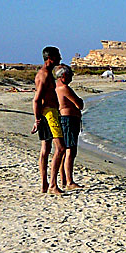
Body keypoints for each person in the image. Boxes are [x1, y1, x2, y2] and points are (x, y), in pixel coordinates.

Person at [31, 46, 65, 194]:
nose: (60, 59)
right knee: (61, 148)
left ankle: (45, 184)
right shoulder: (44, 75)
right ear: (50, 58)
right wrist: (37, 119)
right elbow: (36, 100)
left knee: (46, 149)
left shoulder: (46, 74)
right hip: (49, 113)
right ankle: (52, 184)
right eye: (58, 56)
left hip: (48, 112)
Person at [54, 64, 84, 190]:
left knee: (66, 150)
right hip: (69, 119)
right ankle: (69, 181)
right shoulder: (64, 88)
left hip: (66, 119)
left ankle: (64, 179)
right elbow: (79, 104)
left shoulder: (56, 87)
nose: (72, 77)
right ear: (64, 76)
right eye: (70, 75)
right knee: (70, 150)